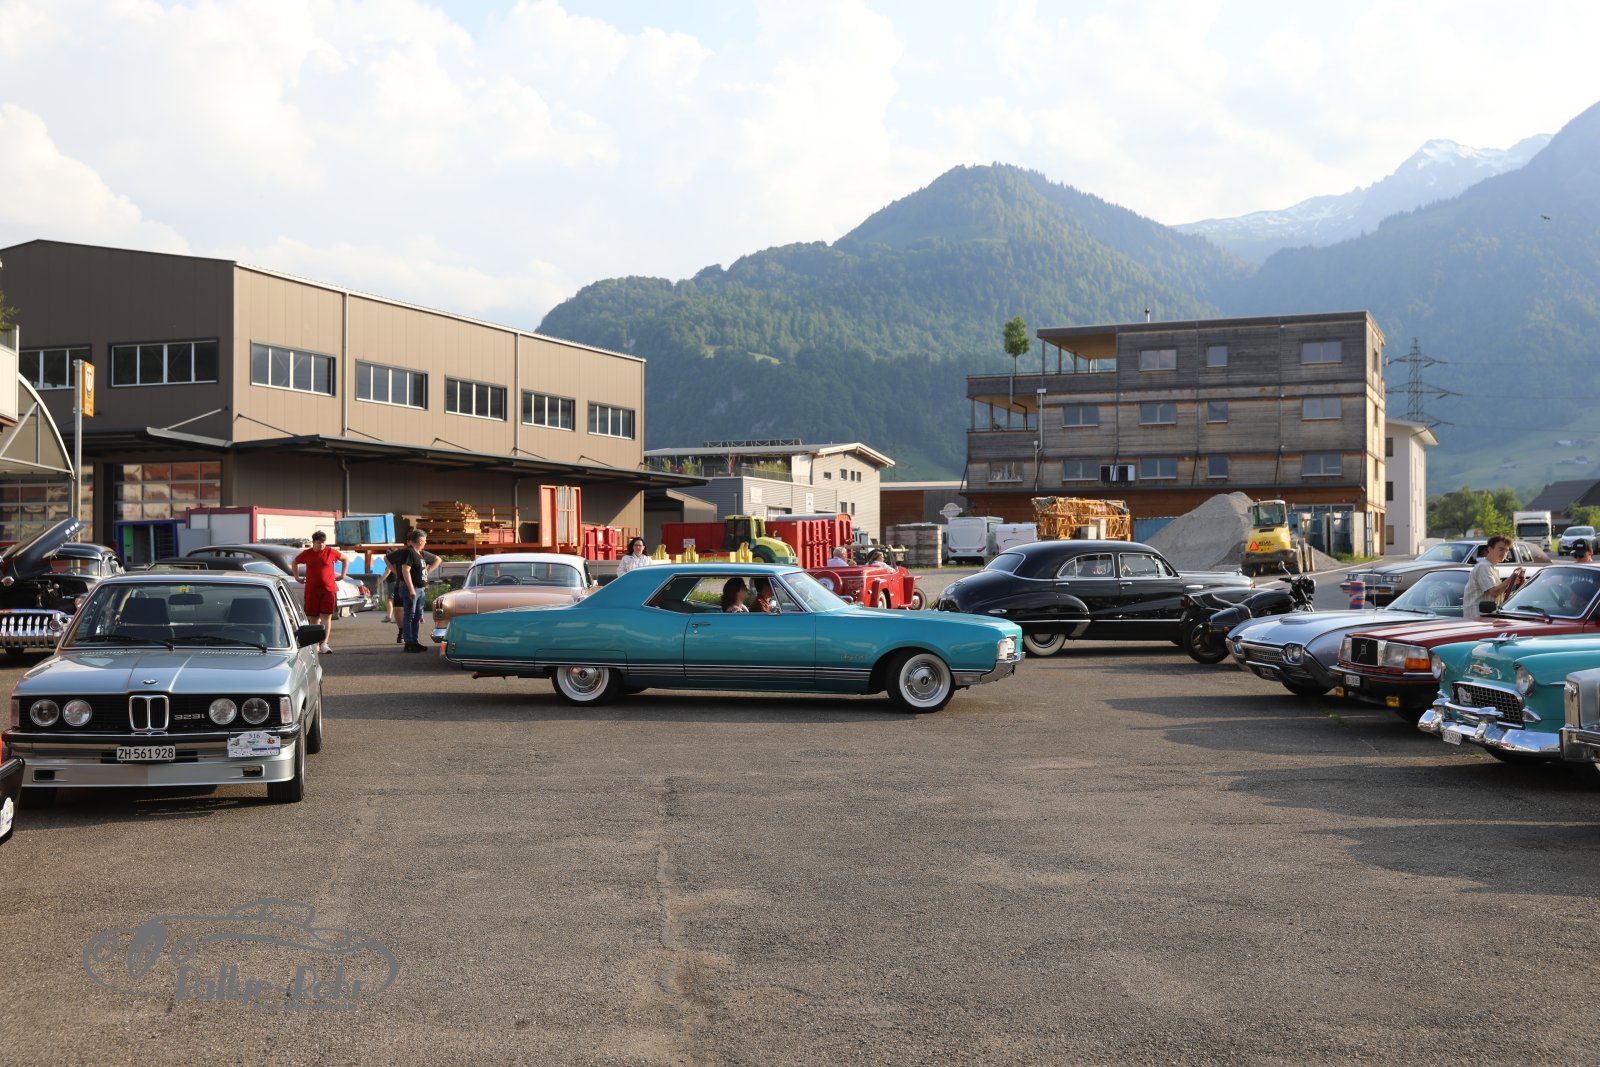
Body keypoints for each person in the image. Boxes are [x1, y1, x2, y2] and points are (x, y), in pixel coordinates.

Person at [292, 531, 344, 653]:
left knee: (326, 616)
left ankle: (324, 643)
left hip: (328, 590)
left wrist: (342, 574)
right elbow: (295, 562)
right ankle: (314, 644)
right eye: (319, 543)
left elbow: (345, 559)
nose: (321, 545)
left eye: (323, 543)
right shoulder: (307, 553)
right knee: (313, 618)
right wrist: (297, 577)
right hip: (312, 590)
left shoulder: (330, 552)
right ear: (313, 542)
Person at [1463, 535, 1525, 619]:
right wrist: (1511, 578)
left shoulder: (1491, 567)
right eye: (1501, 549)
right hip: (1477, 620)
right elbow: (1494, 592)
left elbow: (1496, 595)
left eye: (1507, 550)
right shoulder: (1483, 566)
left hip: (1486, 619)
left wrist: (1514, 583)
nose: (1504, 553)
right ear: (1490, 549)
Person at [392, 529, 431, 651]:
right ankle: (409, 643)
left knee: (417, 616)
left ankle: (415, 641)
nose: (425, 542)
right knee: (410, 615)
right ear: (420, 540)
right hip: (412, 588)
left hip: (420, 588)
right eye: (425, 540)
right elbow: (405, 570)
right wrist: (411, 589)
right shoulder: (409, 552)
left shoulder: (418, 553)